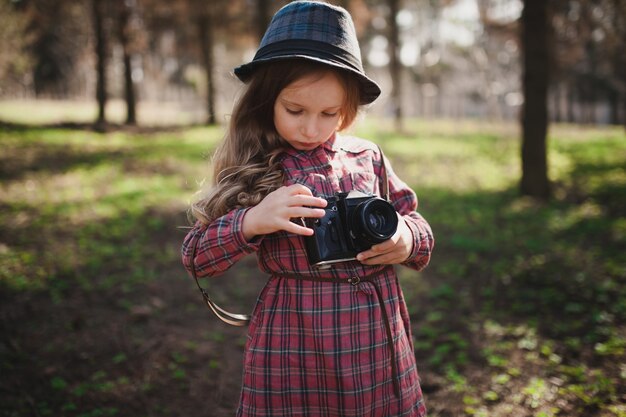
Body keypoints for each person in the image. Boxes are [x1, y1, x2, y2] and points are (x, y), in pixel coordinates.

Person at [182, 2, 434, 416]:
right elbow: (195, 256)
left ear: (347, 109)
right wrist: (249, 222)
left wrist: (407, 240)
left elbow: (416, 224)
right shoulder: (256, 166)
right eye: (295, 110)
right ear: (266, 100)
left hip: (376, 335)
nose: (311, 128)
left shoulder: (367, 155)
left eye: (329, 114)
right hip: (297, 337)